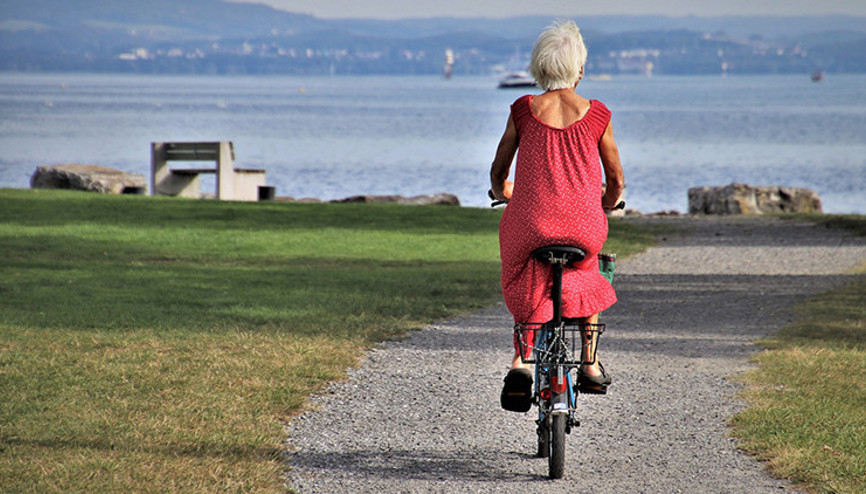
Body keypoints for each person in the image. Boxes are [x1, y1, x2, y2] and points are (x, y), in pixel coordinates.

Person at [490, 20, 625, 412]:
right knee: (587, 271)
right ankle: (589, 361)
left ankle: (522, 362)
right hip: (583, 226)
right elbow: (615, 178)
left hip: (530, 224)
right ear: (579, 69)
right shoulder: (598, 114)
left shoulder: (523, 110)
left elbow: (499, 172)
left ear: (538, 67)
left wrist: (503, 193)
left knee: (525, 268)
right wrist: (609, 202)